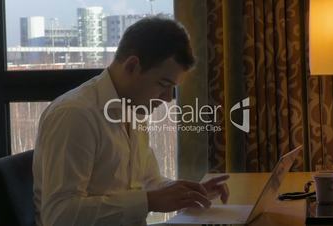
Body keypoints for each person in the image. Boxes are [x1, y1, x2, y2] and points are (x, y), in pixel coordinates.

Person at [33, 16, 230, 226]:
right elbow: (59, 216)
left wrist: (188, 193)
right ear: (132, 66)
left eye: (172, 88)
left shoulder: (134, 110)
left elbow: (147, 182)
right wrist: (149, 201)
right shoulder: (75, 114)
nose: (166, 98)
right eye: (163, 84)